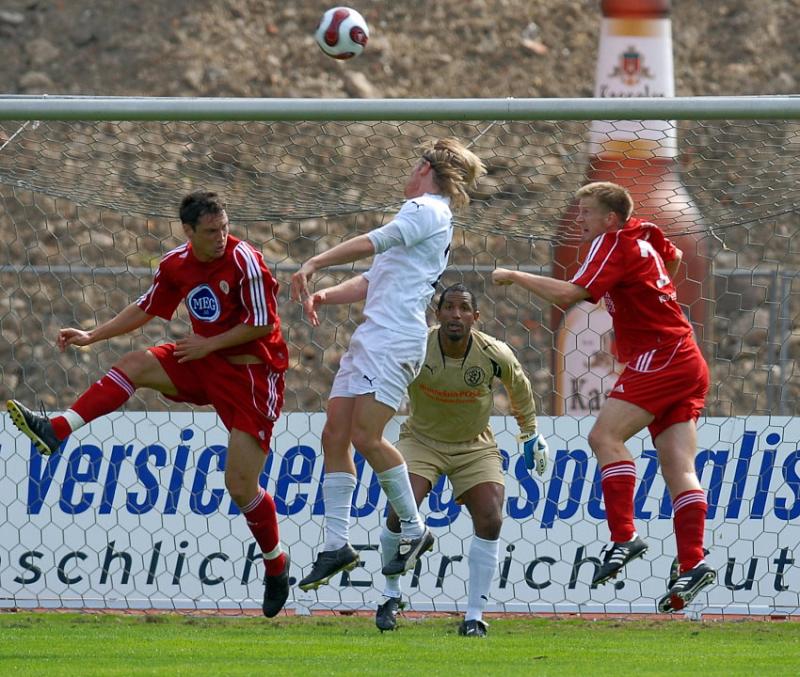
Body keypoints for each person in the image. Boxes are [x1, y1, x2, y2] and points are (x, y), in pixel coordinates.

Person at [7, 191, 292, 618]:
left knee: (240, 486)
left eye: (225, 227)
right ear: (189, 232)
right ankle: (57, 429)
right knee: (136, 364)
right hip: (204, 360)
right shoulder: (176, 263)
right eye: (211, 231)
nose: (221, 237)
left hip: (252, 377)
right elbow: (146, 308)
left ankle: (276, 563)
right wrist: (91, 335)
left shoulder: (244, 261)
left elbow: (264, 323)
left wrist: (209, 343)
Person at [492, 181, 715, 613]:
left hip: (661, 355)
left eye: (587, 212)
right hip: (686, 356)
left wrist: (515, 275)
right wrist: (642, 295)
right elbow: (674, 256)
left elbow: (574, 293)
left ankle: (624, 537)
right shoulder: (643, 231)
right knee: (679, 467)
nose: (581, 220)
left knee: (604, 438)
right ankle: (692, 563)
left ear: (610, 218)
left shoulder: (611, 242)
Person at [289, 138, 487, 592]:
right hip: (372, 339)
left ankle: (415, 530)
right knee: (334, 434)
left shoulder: (427, 210)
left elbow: (372, 242)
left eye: (411, 164)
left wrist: (315, 261)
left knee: (365, 436)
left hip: (396, 341)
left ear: (423, 168)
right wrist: (326, 294)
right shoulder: (419, 217)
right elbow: (373, 277)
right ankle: (336, 545)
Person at [374, 283, 549, 637]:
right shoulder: (416, 345)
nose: (456, 314)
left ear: (476, 317)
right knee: (398, 514)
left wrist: (530, 433)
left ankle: (474, 616)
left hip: (475, 445)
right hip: (421, 441)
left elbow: (520, 387)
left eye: (464, 308)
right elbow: (384, 379)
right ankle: (390, 596)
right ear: (437, 314)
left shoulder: (492, 352)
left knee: (490, 519)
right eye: (449, 308)